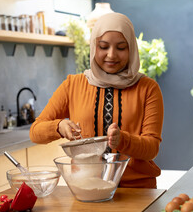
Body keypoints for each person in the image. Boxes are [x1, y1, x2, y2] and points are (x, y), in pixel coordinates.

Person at [30, 12, 164, 188]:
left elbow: (152, 148)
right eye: (103, 46)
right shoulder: (73, 85)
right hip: (85, 189)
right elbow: (35, 132)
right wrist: (59, 126)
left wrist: (122, 140)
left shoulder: (148, 88)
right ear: (94, 47)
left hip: (137, 190)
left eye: (121, 48)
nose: (111, 55)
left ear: (131, 48)